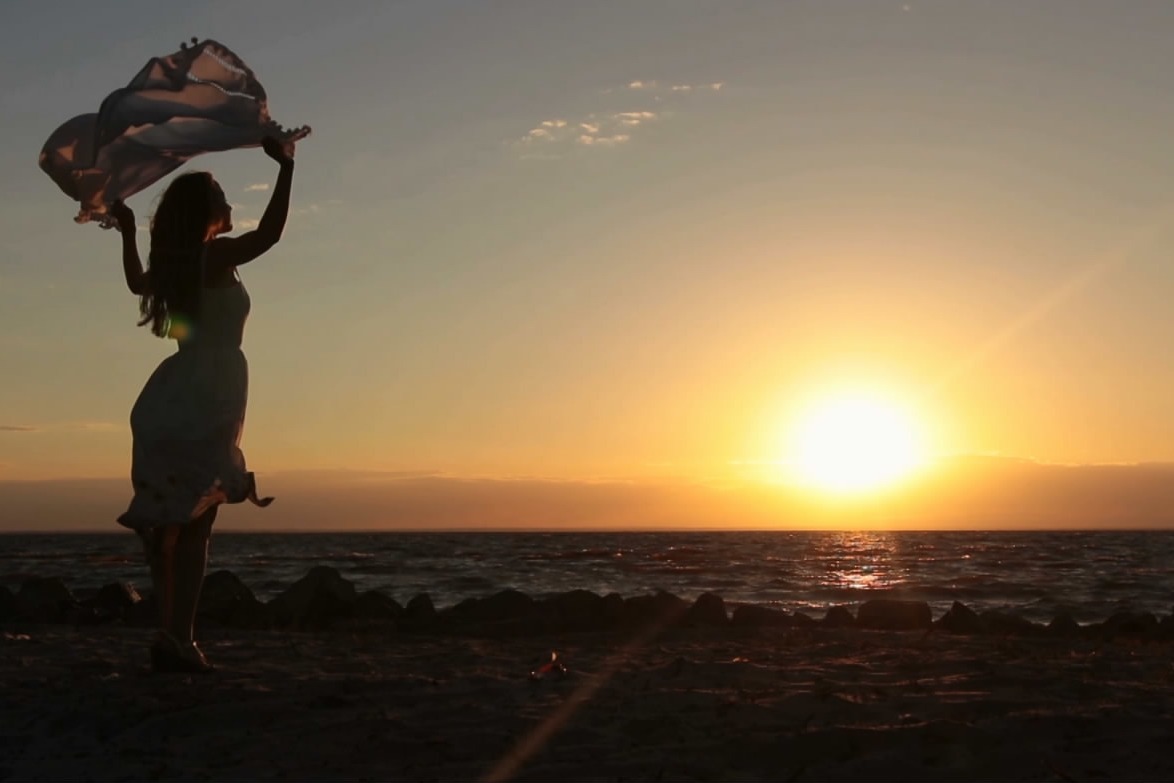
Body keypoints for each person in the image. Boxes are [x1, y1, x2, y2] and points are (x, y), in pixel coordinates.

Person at [108, 136, 296, 673]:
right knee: (196, 521)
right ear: (207, 213)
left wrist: (127, 232)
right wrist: (286, 169)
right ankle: (180, 638)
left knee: (173, 518)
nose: (230, 204)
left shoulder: (179, 263)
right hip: (207, 393)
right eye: (222, 195)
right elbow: (271, 233)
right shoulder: (213, 256)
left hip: (171, 392)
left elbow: (135, 283)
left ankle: (171, 634)